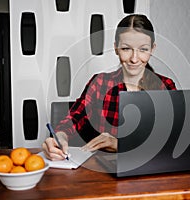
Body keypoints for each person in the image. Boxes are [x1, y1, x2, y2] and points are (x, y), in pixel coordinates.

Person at [42, 14, 176, 161]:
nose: (134, 59)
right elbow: (73, 118)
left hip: (151, 170)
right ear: (116, 48)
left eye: (143, 49)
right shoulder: (100, 83)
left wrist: (120, 144)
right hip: (105, 170)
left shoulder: (165, 86)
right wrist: (60, 137)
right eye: (126, 49)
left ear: (152, 49)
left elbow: (170, 140)